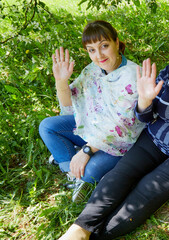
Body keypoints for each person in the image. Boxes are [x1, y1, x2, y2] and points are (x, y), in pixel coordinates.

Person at [58, 17, 169, 240]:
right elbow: (144, 116)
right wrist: (144, 99)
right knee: (120, 175)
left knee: (147, 189)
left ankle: (96, 236)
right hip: (154, 139)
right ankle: (79, 229)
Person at [39, 20, 145, 202]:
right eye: (92, 50)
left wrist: (86, 151)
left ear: (117, 43)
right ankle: (71, 172)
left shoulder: (133, 75)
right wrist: (61, 82)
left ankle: (78, 168)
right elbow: (69, 106)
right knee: (47, 126)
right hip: (92, 129)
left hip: (120, 143)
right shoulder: (93, 70)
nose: (99, 55)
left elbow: (122, 127)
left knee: (90, 172)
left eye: (104, 46)